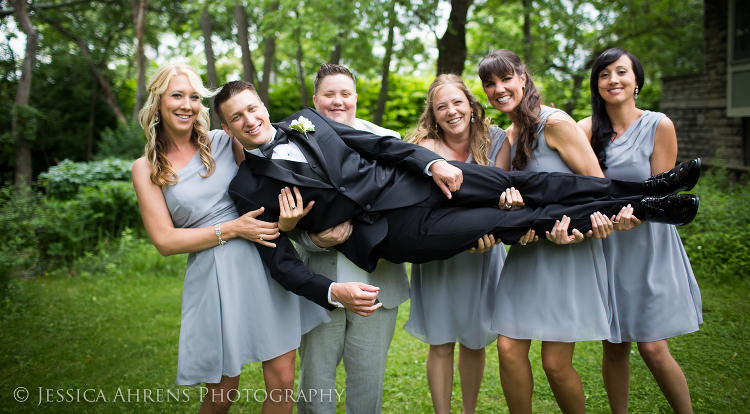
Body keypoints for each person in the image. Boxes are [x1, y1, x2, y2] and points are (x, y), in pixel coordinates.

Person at [215, 79, 699, 312]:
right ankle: (649, 210)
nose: (251, 120)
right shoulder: (247, 189)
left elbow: (384, 146)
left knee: (532, 185)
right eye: (238, 117)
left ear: (262, 105)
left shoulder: (309, 120)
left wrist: (434, 162)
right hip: (396, 233)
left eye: (253, 108)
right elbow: (279, 262)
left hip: (425, 183)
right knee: (511, 221)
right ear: (228, 126)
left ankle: (648, 191)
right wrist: (329, 290)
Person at [130, 65, 332, 414]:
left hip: (266, 260)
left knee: (283, 380)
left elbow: (264, 195)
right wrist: (233, 229)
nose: (187, 104)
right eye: (177, 95)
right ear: (158, 102)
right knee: (223, 390)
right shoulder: (146, 167)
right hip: (215, 276)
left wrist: (286, 223)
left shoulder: (224, 141)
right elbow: (164, 241)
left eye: (194, 97)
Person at [482, 48, 630, 414]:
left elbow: (596, 188)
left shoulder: (555, 123)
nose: (499, 89)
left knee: (555, 364)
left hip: (569, 250)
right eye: (489, 83)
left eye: (505, 79)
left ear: (522, 77)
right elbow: (497, 196)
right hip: (528, 249)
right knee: (508, 348)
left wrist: (577, 230)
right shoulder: (506, 136)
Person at [578, 48, 702, 414]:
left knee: (652, 347)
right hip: (608, 245)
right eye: (604, 74)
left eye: (621, 72)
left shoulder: (658, 124)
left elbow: (658, 190)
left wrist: (640, 214)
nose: (613, 80)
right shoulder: (586, 130)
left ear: (636, 81)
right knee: (613, 344)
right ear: (596, 84)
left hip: (648, 241)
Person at [292, 63, 410, 414]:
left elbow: (404, 211)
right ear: (315, 101)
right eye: (329, 95)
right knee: (315, 387)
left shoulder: (386, 140)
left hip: (378, 286)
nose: (338, 101)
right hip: (319, 285)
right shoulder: (295, 145)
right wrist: (316, 241)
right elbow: (287, 217)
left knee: (367, 385)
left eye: (345, 94)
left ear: (356, 97)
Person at [404, 74, 512, 414]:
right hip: (439, 256)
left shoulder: (497, 140)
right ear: (433, 115)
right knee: (440, 342)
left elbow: (504, 196)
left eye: (457, 102)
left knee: (474, 340)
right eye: (441, 106)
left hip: (483, 252)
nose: (451, 111)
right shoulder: (424, 147)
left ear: (471, 105)